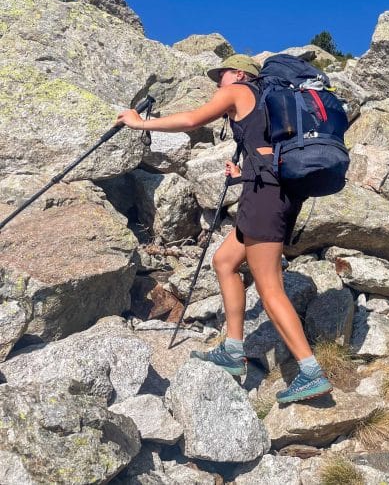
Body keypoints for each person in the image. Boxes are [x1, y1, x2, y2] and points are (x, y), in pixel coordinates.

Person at [115, 54, 332, 403]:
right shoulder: (272, 103)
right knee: (225, 261)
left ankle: (310, 372)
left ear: (240, 73)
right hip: (275, 196)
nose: (218, 82)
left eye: (222, 75)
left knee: (269, 287)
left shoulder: (238, 92)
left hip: (265, 201)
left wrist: (140, 123)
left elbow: (190, 120)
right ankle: (233, 350)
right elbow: (273, 157)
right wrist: (242, 175)